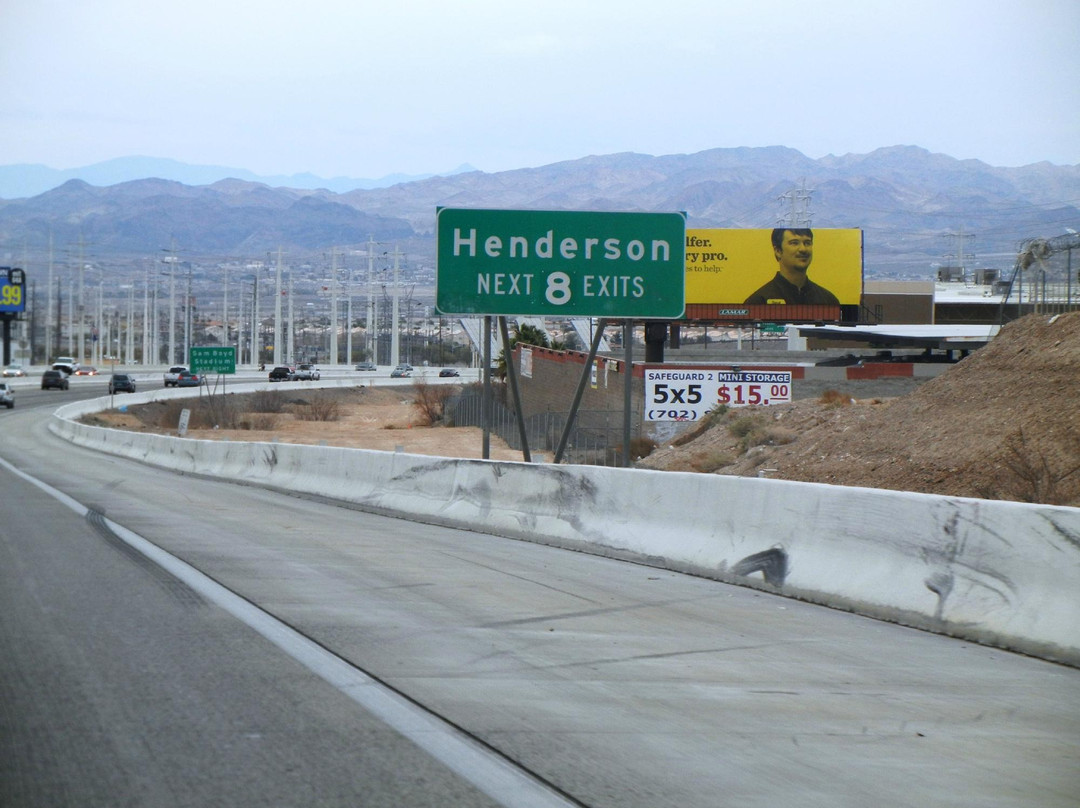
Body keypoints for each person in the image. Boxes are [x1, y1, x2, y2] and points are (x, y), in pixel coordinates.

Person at [744, 228, 840, 305]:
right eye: (794, 243)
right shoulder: (759, 301)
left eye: (807, 243)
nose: (803, 249)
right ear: (778, 251)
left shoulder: (828, 300)